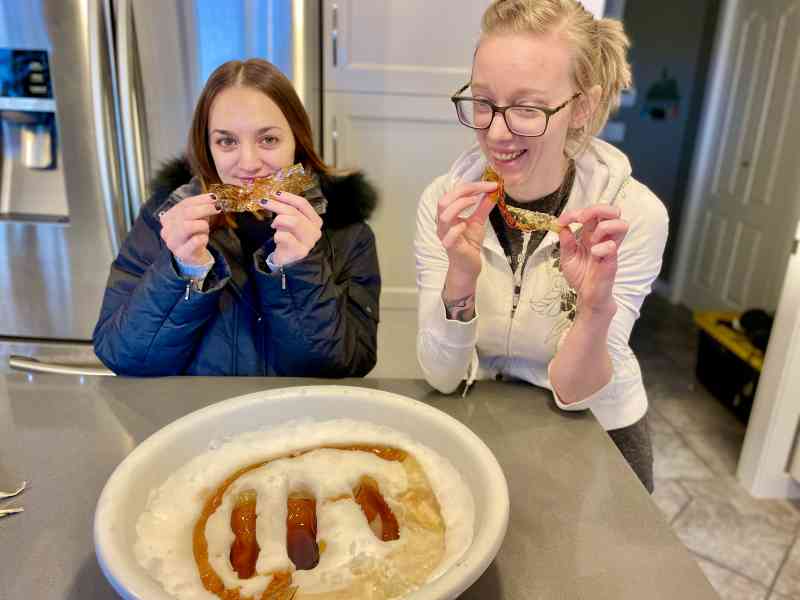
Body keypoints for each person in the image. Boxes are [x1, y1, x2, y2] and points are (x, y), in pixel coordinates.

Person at [415, 0, 668, 491]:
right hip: (484, 415)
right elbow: (443, 378)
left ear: (583, 107)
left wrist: (594, 310)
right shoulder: (443, 204)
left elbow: (576, 394)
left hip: (599, 427)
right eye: (483, 101)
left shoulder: (632, 217)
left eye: (528, 108)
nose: (496, 131)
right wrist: (459, 279)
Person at [94, 59, 380, 377]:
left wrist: (299, 270)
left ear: (297, 141)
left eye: (268, 139)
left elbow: (347, 366)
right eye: (227, 141)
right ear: (207, 146)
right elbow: (123, 357)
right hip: (196, 420)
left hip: (298, 423)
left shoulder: (347, 230)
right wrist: (183, 270)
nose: (248, 163)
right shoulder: (164, 219)